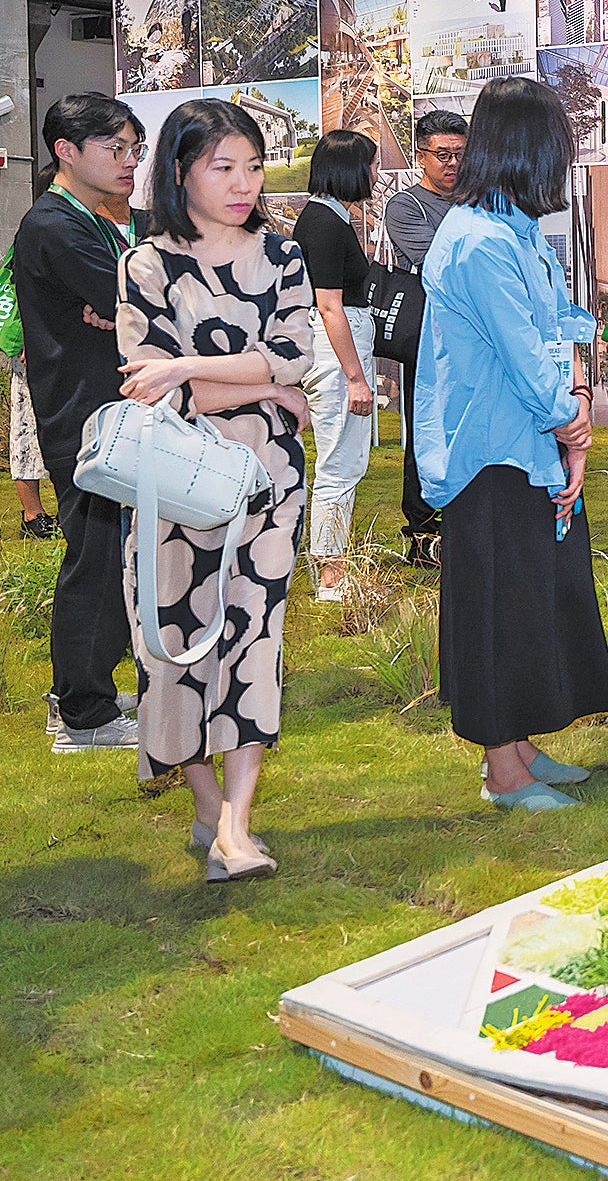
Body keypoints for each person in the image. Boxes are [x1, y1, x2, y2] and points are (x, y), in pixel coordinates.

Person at [119, 99, 314, 877]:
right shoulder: (147, 264)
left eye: (253, 165)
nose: (243, 183)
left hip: (267, 485)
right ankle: (204, 806)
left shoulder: (285, 258)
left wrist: (191, 366)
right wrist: (261, 386)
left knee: (254, 640)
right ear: (180, 171)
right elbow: (148, 389)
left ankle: (236, 824)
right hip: (172, 482)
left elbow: (296, 358)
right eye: (221, 166)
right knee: (174, 642)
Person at [416, 77, 608, 810]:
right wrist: (573, 422)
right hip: (493, 451)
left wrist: (580, 408)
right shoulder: (477, 241)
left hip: (528, 443)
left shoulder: (513, 229)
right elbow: (526, 360)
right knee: (498, 608)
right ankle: (502, 770)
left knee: (539, 599)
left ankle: (522, 747)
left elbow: (559, 319)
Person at [16, 94, 143, 752]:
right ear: (67, 151)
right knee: (94, 560)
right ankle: (84, 716)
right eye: (115, 150)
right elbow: (136, 294)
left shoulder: (86, 218)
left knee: (112, 555)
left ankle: (85, 688)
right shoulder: (53, 225)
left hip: (104, 408)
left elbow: (123, 295)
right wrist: (119, 303)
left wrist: (117, 304)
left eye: (133, 151)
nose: (128, 164)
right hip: (83, 416)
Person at [291, 130, 381, 601]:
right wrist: (355, 377)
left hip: (335, 347)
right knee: (339, 462)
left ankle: (330, 565)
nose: (374, 173)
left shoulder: (328, 217)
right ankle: (330, 575)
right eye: (369, 164)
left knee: (342, 459)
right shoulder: (324, 223)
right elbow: (329, 308)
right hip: (334, 352)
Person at [385, 108, 466, 568]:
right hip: (429, 340)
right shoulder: (406, 206)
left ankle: (461, 523)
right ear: (420, 156)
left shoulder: (479, 201)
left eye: (459, 154)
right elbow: (437, 262)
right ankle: (420, 531)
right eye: (443, 155)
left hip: (476, 338)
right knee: (426, 432)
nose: (452, 163)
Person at [7, 353, 55, 539]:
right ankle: (32, 515)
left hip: (64, 346)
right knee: (26, 426)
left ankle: (68, 510)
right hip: (32, 347)